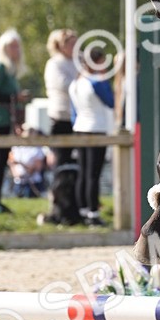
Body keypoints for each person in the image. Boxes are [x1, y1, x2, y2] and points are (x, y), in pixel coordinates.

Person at [0, 28, 29, 213]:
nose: (15, 49)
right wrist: (14, 96)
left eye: (17, 45)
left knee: (4, 160)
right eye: (12, 46)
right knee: (1, 159)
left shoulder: (10, 69)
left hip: (6, 119)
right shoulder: (1, 67)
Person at [69, 46, 114, 226]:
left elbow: (73, 111)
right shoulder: (96, 81)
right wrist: (104, 79)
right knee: (94, 174)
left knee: (83, 171)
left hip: (80, 127)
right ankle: (93, 212)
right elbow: (110, 101)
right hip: (96, 128)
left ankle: (82, 209)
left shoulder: (76, 82)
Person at [44, 29, 78, 166]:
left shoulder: (78, 61)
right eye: (71, 44)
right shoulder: (54, 64)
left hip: (77, 117)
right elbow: (64, 85)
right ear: (62, 46)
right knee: (61, 157)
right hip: (61, 116)